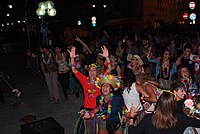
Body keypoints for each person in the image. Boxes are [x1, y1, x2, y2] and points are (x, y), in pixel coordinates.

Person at [68, 46, 111, 133]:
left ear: (97, 72)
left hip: (98, 110)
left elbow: (109, 68)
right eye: (90, 70)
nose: (92, 72)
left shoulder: (100, 80)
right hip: (87, 110)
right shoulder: (84, 80)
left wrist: (106, 57)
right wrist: (72, 59)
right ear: (88, 72)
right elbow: (74, 70)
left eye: (94, 70)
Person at [128, 91, 200, 134]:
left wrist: (131, 117)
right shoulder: (181, 118)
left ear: (159, 104)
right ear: (173, 106)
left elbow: (132, 132)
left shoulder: (148, 119)